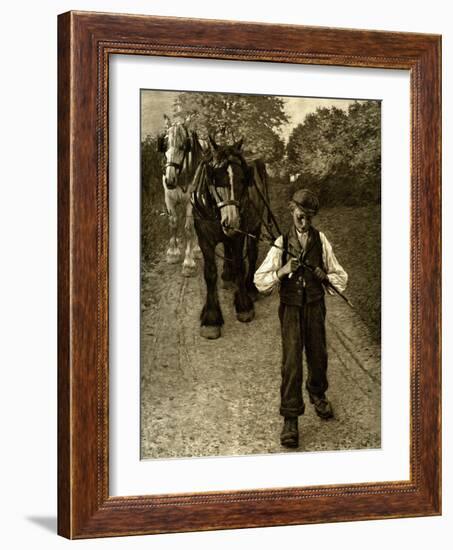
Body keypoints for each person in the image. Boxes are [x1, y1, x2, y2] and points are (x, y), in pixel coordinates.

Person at [254, 189, 348, 448]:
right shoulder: (281, 244)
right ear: (290, 209)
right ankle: (291, 417)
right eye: (299, 215)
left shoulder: (321, 240)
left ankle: (317, 392)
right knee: (292, 362)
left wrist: (325, 277)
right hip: (291, 309)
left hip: (315, 307)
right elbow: (260, 280)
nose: (303, 221)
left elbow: (339, 275)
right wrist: (282, 271)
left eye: (308, 216)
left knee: (318, 354)